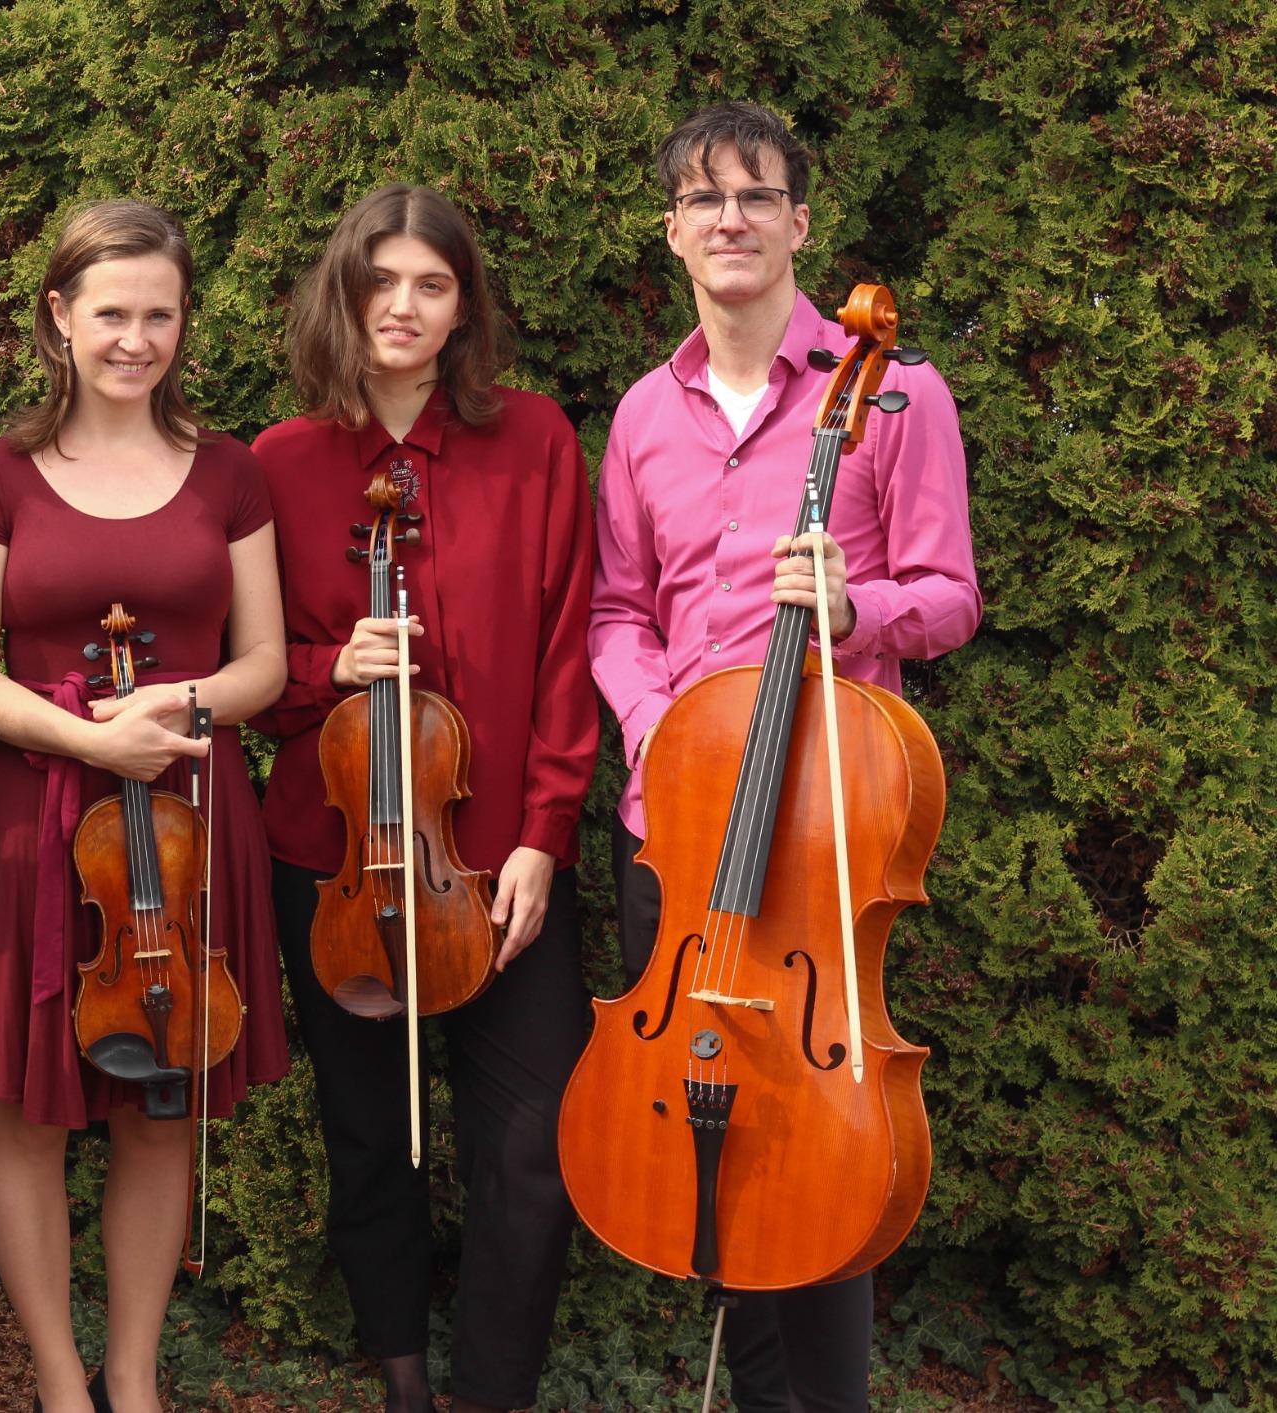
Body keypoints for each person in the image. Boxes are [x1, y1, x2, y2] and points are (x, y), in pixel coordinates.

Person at [589, 101, 983, 1411]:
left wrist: (857, 608)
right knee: (708, 1145)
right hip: (679, 835)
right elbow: (618, 614)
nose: (732, 219)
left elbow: (952, 595)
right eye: (704, 199)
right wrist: (656, 726)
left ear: (800, 222)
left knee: (815, 1145)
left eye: (756, 195)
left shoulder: (897, 393)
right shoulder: (643, 415)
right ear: (673, 233)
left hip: (818, 842)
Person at [0, 199, 290, 1413]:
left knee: (160, 1103)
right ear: (59, 317)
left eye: (159, 315)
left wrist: (176, 708)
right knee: (27, 1113)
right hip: (40, 815)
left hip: (191, 819)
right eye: (111, 314)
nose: (135, 339)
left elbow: (264, 664)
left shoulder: (229, 470)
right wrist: (92, 737)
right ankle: (58, 1381)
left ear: (184, 322)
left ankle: (132, 1378)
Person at [251, 184, 599, 1413]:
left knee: (533, 1150)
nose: (403, 306)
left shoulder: (536, 440)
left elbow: (566, 651)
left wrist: (544, 837)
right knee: (369, 1140)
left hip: (500, 864)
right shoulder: (279, 463)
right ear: (342, 295)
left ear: (464, 308)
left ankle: (492, 1394)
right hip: (338, 862)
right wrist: (325, 668)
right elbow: (251, 673)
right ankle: (404, 1383)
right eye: (380, 281)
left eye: (432, 285)